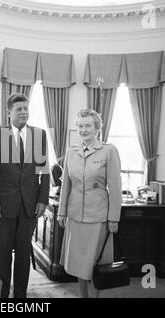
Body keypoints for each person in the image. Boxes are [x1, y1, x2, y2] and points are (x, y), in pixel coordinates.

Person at [0, 93, 50, 298]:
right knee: (4, 253)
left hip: (30, 205)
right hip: (4, 205)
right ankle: (2, 297)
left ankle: (20, 297)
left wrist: (43, 199)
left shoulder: (39, 135)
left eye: (26, 109)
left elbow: (43, 171)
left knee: (23, 254)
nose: (24, 112)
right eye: (19, 109)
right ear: (9, 112)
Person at [57, 108, 122, 298]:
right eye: (80, 126)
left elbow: (115, 188)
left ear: (97, 128)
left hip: (98, 216)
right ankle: (83, 296)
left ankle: (96, 296)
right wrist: (62, 212)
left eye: (88, 125)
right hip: (75, 215)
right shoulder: (71, 152)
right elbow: (65, 186)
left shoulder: (108, 150)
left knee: (96, 263)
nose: (83, 130)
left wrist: (114, 218)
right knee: (79, 264)